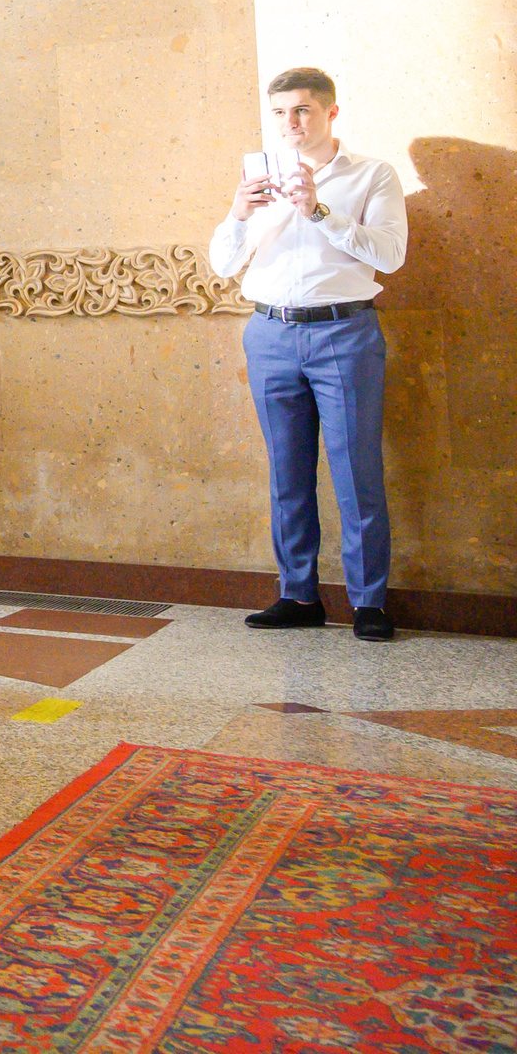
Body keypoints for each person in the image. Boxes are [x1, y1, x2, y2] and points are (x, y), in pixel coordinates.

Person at [207, 66, 408, 642]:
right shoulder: (258, 178)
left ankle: (368, 602)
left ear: (330, 113)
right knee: (287, 472)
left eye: (302, 111)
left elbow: (390, 255)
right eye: (279, 112)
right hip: (270, 333)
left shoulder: (372, 175)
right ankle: (298, 594)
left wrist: (320, 211)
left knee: (356, 469)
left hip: (343, 333)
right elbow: (224, 264)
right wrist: (240, 212)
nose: (290, 123)